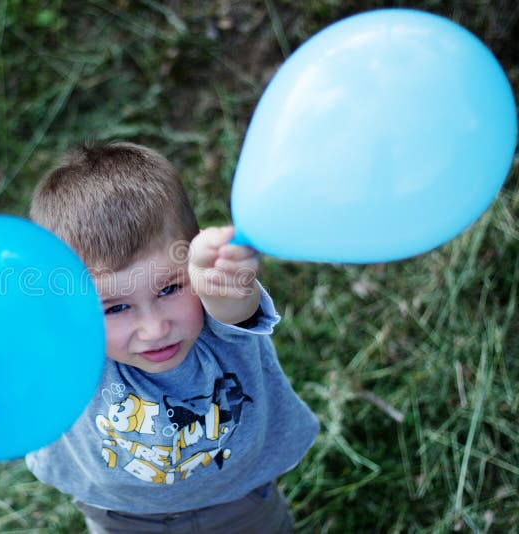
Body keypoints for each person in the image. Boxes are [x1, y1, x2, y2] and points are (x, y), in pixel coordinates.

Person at [25, 141, 318, 533]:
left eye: (169, 289)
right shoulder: (72, 347)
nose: (155, 328)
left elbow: (232, 302)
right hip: (120, 517)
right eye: (115, 308)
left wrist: (223, 277)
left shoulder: (219, 322)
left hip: (240, 505)